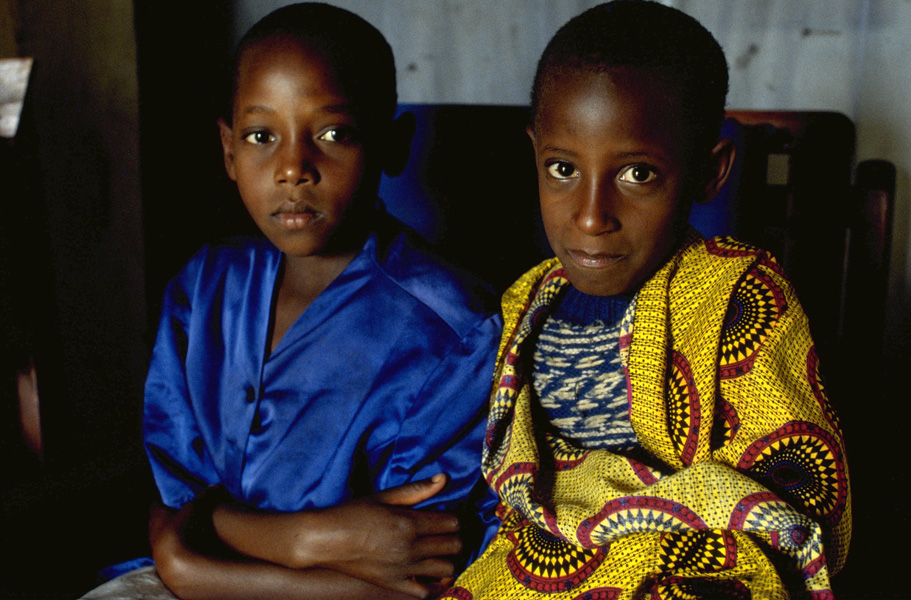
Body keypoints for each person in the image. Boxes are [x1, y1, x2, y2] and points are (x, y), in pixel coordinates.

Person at [84, 4, 501, 600]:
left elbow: (415, 577)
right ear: (228, 150)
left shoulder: (456, 333)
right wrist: (305, 538)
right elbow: (170, 504)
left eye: (333, 134)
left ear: (392, 143)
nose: (291, 169)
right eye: (261, 137)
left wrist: (192, 564)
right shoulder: (204, 289)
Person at [443, 2, 851, 599]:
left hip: (686, 571)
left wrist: (629, 522)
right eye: (563, 169)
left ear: (709, 173)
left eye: (637, 175)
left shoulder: (739, 294)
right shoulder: (525, 302)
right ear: (535, 155)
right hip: (534, 571)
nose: (591, 216)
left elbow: (792, 488)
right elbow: (498, 485)